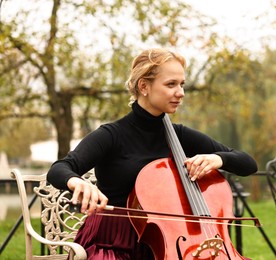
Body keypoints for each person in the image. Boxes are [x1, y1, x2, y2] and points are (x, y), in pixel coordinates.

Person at [47, 48, 258, 259]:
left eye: (182, 84)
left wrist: (218, 158)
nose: (181, 92)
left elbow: (247, 163)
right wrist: (77, 182)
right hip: (112, 243)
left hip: (166, 242)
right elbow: (59, 169)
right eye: (171, 84)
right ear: (144, 86)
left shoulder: (179, 135)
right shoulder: (112, 135)